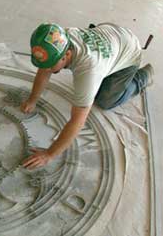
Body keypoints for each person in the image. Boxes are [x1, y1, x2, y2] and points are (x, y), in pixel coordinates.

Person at [21, 22, 154, 169]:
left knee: (105, 101)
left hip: (129, 52)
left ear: (67, 54)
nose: (47, 69)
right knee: (89, 84)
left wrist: (49, 154)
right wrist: (32, 100)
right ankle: (106, 72)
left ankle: (142, 77)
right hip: (111, 33)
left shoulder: (89, 70)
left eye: (52, 65)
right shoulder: (57, 38)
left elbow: (78, 120)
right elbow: (44, 69)